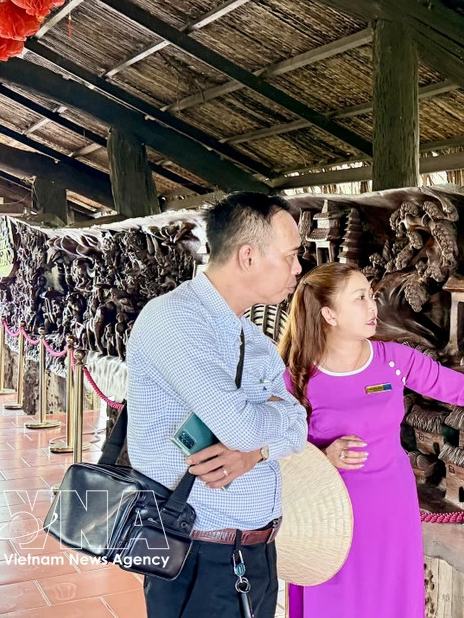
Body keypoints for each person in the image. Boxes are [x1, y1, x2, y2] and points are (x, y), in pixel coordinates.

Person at [278, 263, 464, 618]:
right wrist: (323, 458)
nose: (372, 307)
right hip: (328, 513)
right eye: (359, 299)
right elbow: (274, 450)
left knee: (390, 601)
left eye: (371, 296)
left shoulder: (392, 360)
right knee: (335, 602)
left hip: (392, 506)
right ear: (328, 314)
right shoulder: (296, 374)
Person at [126, 192, 310, 618]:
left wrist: (258, 452)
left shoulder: (255, 339)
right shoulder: (173, 319)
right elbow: (243, 426)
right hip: (193, 555)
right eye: (290, 256)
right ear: (248, 256)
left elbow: (298, 425)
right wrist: (265, 427)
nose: (298, 269)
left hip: (255, 552)